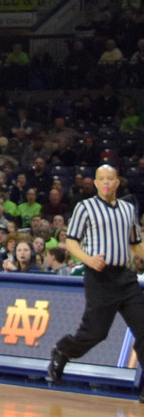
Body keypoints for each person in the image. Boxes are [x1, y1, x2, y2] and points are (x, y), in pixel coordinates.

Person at [47, 164, 144, 401]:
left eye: (111, 178)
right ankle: (63, 350)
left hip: (126, 277)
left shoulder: (128, 209)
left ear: (118, 182)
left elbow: (135, 244)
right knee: (95, 333)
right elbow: (71, 242)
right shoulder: (84, 207)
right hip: (99, 277)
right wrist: (89, 260)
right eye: (102, 179)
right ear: (96, 182)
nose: (107, 182)